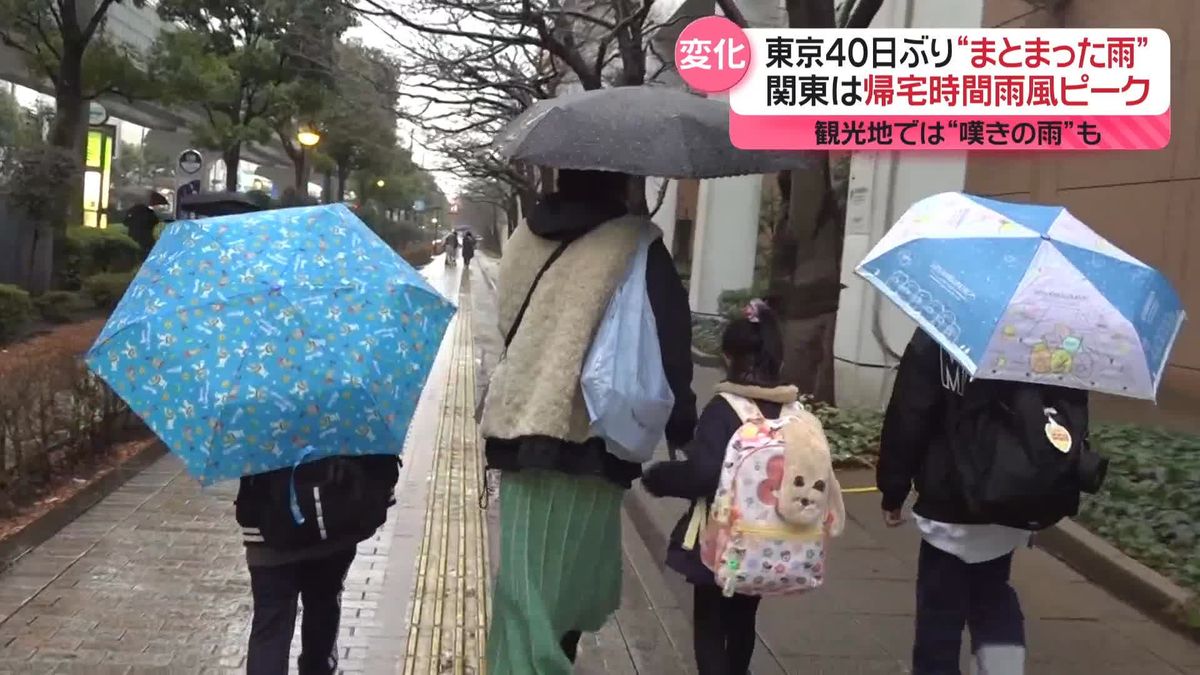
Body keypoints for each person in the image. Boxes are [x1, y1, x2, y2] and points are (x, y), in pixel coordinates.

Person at [478, 168, 696, 674]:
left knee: (527, 585)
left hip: (521, 426)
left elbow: (509, 322)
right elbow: (670, 341)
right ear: (620, 181)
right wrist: (683, 429)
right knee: (569, 585)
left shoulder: (522, 236)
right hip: (591, 436)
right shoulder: (636, 242)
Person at [877, 329, 1098, 675]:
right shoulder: (1048, 336)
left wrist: (894, 488)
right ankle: (1003, 666)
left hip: (949, 500)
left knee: (940, 609)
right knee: (993, 592)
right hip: (1014, 495)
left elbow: (910, 416)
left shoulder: (941, 332)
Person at [641, 300, 795, 675]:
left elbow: (705, 473)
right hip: (768, 539)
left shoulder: (725, 409)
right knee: (743, 620)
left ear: (727, 356)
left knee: (710, 622)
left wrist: (660, 477)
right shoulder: (791, 413)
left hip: (720, 539)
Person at [236, 455, 399, 675]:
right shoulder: (346, 419)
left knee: (271, 625)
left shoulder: (247, 420)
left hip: (269, 528)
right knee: (323, 605)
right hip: (332, 521)